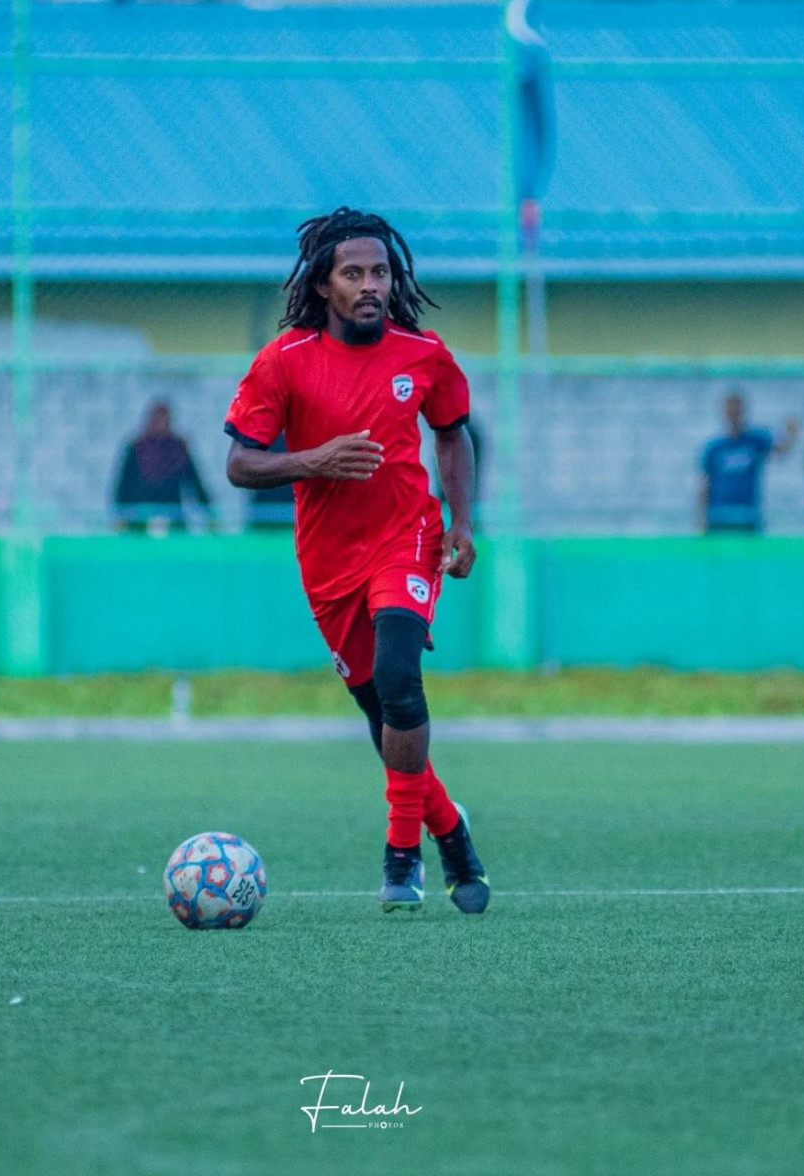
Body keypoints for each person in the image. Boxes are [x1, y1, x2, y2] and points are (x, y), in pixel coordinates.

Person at [224, 207, 488, 916]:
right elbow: (240, 464)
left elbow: (453, 434)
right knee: (381, 712)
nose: (371, 285)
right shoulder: (283, 361)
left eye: (381, 272)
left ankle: (401, 855)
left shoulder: (423, 353)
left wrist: (463, 522)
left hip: (408, 537)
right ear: (323, 284)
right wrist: (315, 460)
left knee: (401, 679)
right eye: (354, 273)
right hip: (328, 561)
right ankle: (450, 830)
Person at [698, 391, 798, 533]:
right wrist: (701, 520)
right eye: (730, 409)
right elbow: (704, 484)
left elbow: (781, 451)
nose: (733, 414)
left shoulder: (755, 439)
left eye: (737, 409)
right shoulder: (714, 447)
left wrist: (791, 434)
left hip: (748, 515)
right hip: (719, 516)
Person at [113, 401, 214, 532]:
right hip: (141, 517)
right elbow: (124, 484)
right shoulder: (136, 447)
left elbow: (194, 482)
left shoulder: (178, 448)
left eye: (164, 419)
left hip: (173, 515)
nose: (160, 423)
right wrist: (122, 515)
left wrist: (209, 514)